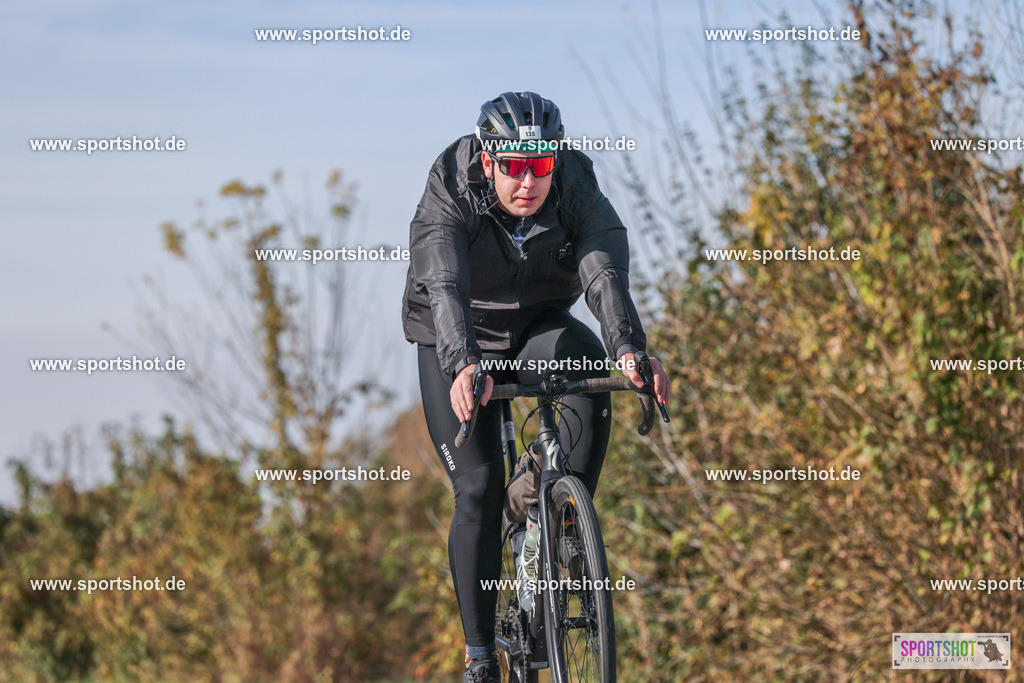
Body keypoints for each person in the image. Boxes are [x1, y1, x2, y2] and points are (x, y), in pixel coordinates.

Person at [402, 91, 670, 682]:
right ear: (489, 160)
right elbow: (443, 281)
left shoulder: (574, 182)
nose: (528, 181)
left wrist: (629, 348)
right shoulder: (450, 186)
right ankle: (479, 659)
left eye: (540, 166)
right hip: (457, 331)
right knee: (478, 488)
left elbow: (603, 268)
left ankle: (555, 513)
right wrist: (463, 361)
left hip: (536, 324)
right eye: (514, 167)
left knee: (589, 366)